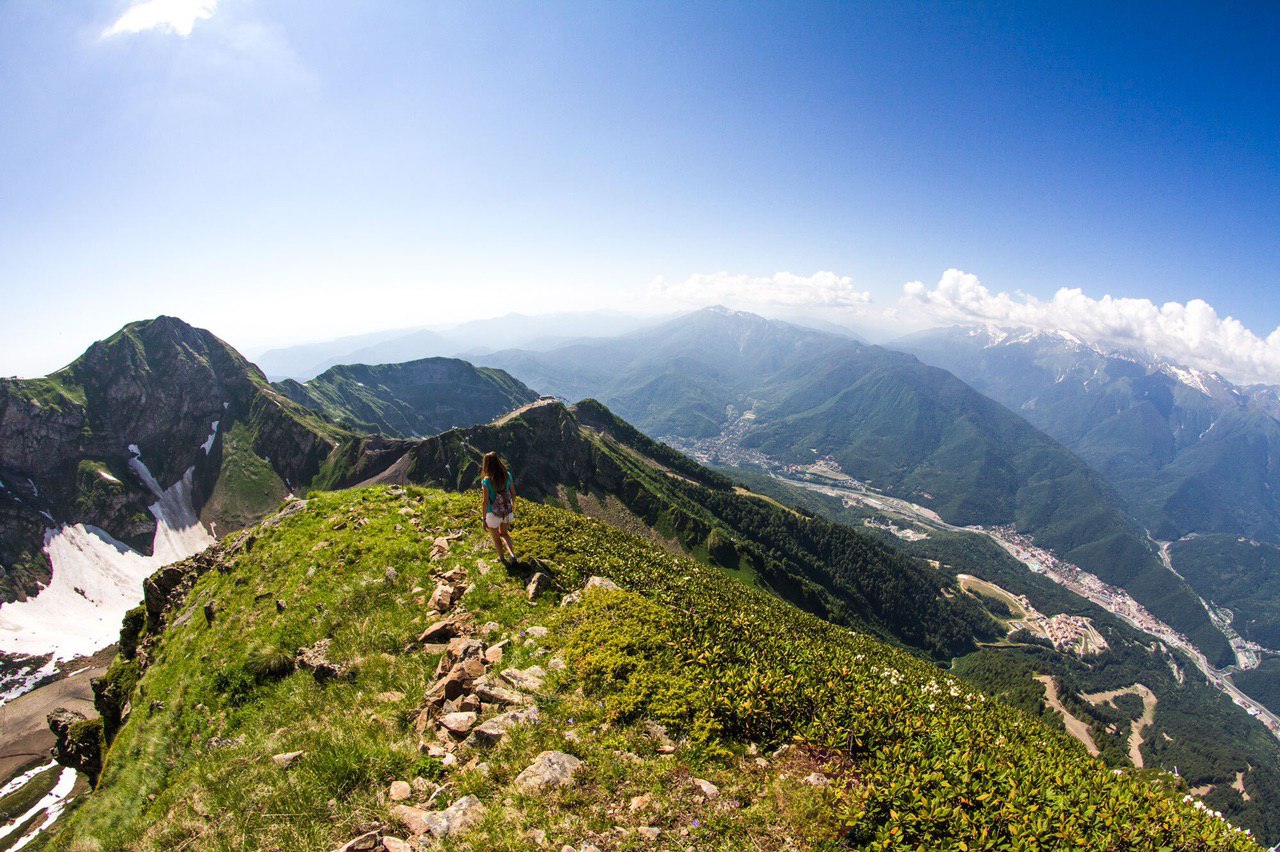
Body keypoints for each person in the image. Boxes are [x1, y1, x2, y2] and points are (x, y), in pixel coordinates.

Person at [480, 451, 516, 561]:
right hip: (507, 511)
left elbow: (485, 502)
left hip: (492, 514)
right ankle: (512, 555)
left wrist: (483, 519)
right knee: (505, 534)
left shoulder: (487, 480)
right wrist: (511, 507)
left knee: (496, 539)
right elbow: (513, 494)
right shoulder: (507, 475)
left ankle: (502, 558)